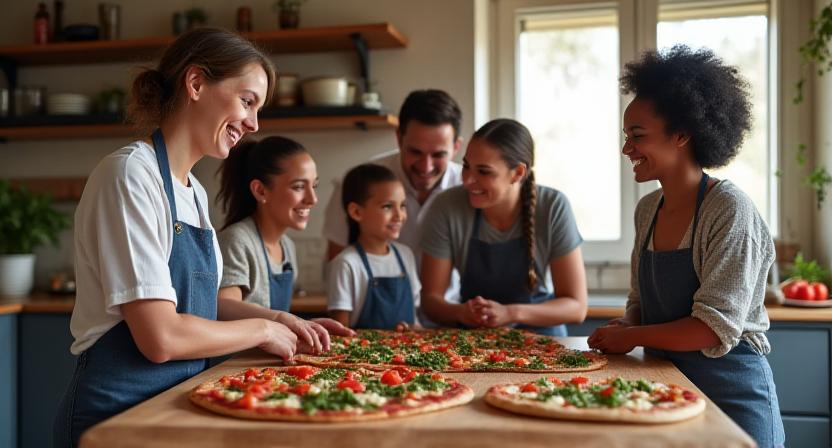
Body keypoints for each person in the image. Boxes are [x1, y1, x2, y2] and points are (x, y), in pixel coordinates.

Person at [53, 28, 344, 448]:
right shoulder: (131, 176)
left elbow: (202, 310)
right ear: (196, 83)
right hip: (115, 419)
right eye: (247, 101)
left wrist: (284, 321)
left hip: (175, 405)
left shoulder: (192, 191)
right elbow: (161, 337)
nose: (254, 123)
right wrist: (261, 329)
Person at [587, 45, 784, 447]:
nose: (627, 150)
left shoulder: (729, 209)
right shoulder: (648, 210)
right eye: (626, 137)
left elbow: (713, 329)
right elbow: (639, 298)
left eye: (637, 137)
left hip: (734, 399)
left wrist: (635, 335)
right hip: (667, 389)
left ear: (681, 135)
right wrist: (627, 322)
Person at [419, 118, 587, 336]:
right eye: (466, 166)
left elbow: (576, 307)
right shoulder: (446, 206)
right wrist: (462, 313)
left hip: (542, 339)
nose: (468, 180)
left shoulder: (553, 206)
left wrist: (511, 313)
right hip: (473, 339)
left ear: (518, 173)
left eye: (484, 171)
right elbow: (431, 302)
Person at [322, 89, 463, 311]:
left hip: (450, 320)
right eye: (415, 152)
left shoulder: (468, 189)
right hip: (368, 326)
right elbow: (336, 261)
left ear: (456, 147)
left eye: (438, 155)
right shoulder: (356, 183)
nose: (425, 167)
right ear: (398, 137)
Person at [215, 136, 310, 312]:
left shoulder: (287, 246)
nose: (312, 199)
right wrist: (283, 321)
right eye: (298, 187)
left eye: (314, 186)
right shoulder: (237, 240)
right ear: (260, 191)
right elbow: (224, 307)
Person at [327, 164, 421, 329]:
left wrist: (410, 329)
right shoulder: (346, 264)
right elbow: (340, 334)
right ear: (356, 212)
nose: (399, 215)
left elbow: (415, 324)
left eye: (402, 205)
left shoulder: (406, 255)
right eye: (387, 206)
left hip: (410, 353)